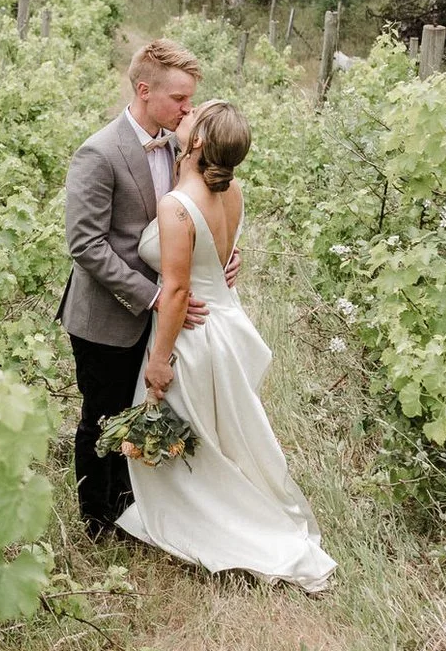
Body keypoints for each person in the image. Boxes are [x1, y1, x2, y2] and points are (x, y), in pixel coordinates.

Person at [120, 100, 336, 592]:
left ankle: (211, 523)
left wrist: (158, 361)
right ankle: (248, 515)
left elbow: (175, 291)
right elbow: (220, 257)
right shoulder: (232, 188)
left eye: (194, 116)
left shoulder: (176, 207)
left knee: (193, 442)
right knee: (220, 436)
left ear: (197, 141)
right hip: (228, 322)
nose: (185, 113)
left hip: (193, 337)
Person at [59, 39, 232, 539]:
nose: (188, 109)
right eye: (179, 98)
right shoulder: (99, 152)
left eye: (190, 99)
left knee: (144, 409)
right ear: (144, 90)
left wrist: (218, 259)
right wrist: (154, 297)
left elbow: (189, 217)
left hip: (164, 313)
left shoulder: (182, 143)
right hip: (107, 315)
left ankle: (137, 510)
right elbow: (86, 246)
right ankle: (98, 521)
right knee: (102, 415)